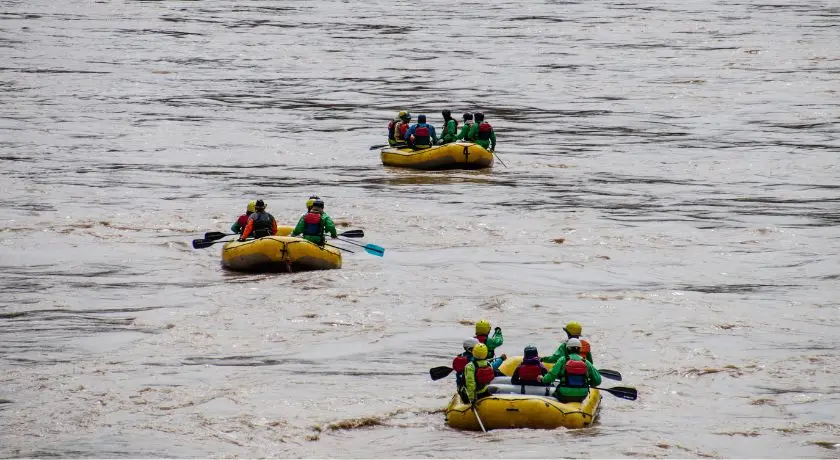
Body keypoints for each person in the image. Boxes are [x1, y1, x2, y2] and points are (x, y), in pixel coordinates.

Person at [539, 338, 602, 403]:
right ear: (580, 349)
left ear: (567, 349)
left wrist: (542, 379)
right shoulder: (586, 362)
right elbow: (597, 381)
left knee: (553, 394)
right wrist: (588, 382)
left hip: (564, 394)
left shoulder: (562, 360)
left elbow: (550, 377)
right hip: (582, 395)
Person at [454, 338, 479, 404]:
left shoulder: (460, 357)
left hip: (462, 387)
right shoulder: (471, 359)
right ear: (469, 349)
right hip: (466, 388)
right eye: (476, 348)